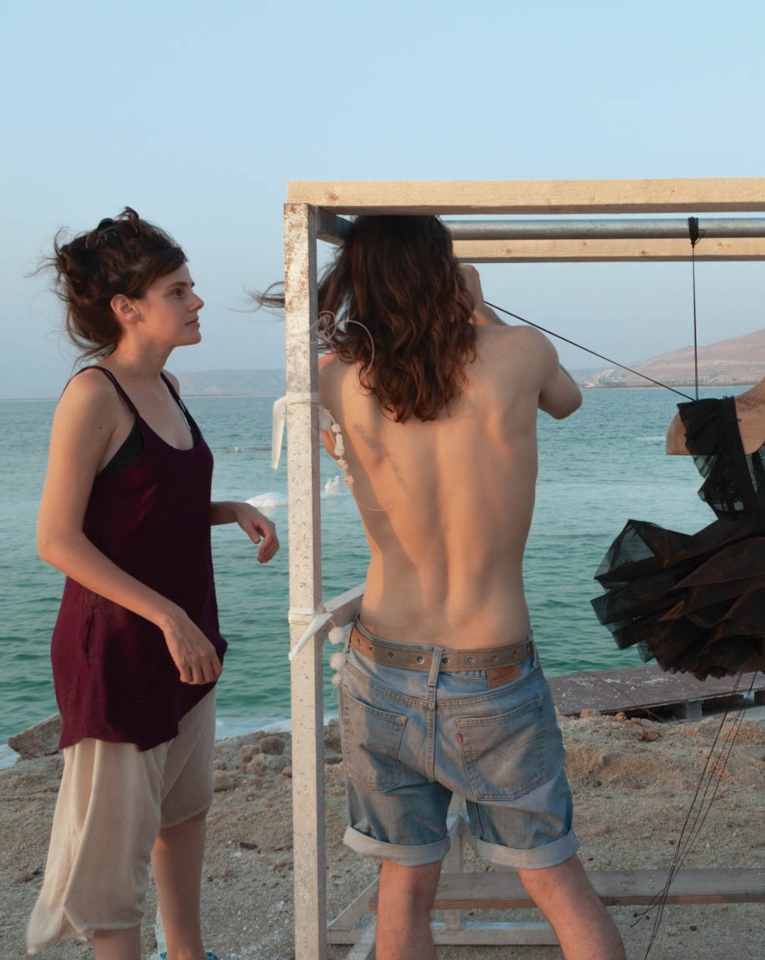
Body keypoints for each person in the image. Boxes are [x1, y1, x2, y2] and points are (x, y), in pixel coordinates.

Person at [274, 215, 622, 960]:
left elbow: (369, 365)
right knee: (557, 881)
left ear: (362, 282)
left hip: (382, 665)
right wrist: (478, 305)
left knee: (403, 889)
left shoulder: (339, 377)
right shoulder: (519, 354)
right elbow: (567, 402)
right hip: (488, 665)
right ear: (445, 269)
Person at [29, 208, 281, 960]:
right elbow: (57, 538)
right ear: (126, 307)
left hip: (188, 646)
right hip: (120, 654)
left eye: (191, 286)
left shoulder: (165, 385)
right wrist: (168, 617)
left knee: (184, 819)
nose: (197, 301)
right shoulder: (93, 395)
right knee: (111, 875)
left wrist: (228, 509)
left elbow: (143, 503)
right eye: (179, 289)